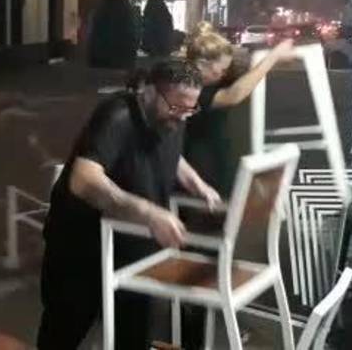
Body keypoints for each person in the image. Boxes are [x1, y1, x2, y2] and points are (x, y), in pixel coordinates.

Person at [37, 60, 222, 349]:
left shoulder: (175, 116)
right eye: (175, 108)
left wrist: (197, 184)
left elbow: (169, 153)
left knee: (133, 334)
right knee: (65, 330)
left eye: (190, 109)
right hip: (81, 246)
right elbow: (84, 180)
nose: (183, 117)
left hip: (131, 247)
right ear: (147, 92)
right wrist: (149, 213)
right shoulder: (118, 115)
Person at [184, 22, 296, 197]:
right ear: (201, 65)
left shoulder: (211, 81)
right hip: (199, 169)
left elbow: (243, 79)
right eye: (221, 70)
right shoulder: (190, 89)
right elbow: (233, 94)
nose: (223, 73)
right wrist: (273, 56)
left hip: (214, 163)